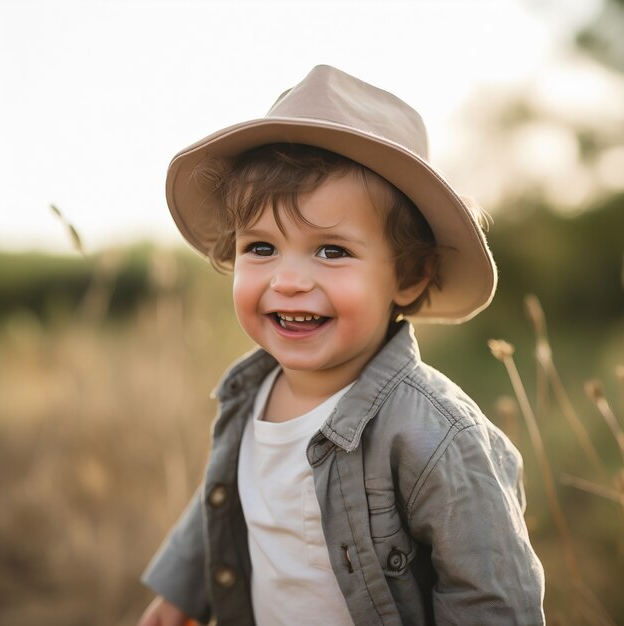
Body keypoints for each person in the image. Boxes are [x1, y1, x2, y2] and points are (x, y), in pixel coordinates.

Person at [138, 65, 545, 626]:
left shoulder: (438, 437)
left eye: (331, 251)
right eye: (260, 248)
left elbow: (491, 596)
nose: (289, 280)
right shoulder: (250, 393)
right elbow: (231, 498)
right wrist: (180, 595)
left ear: (407, 276)